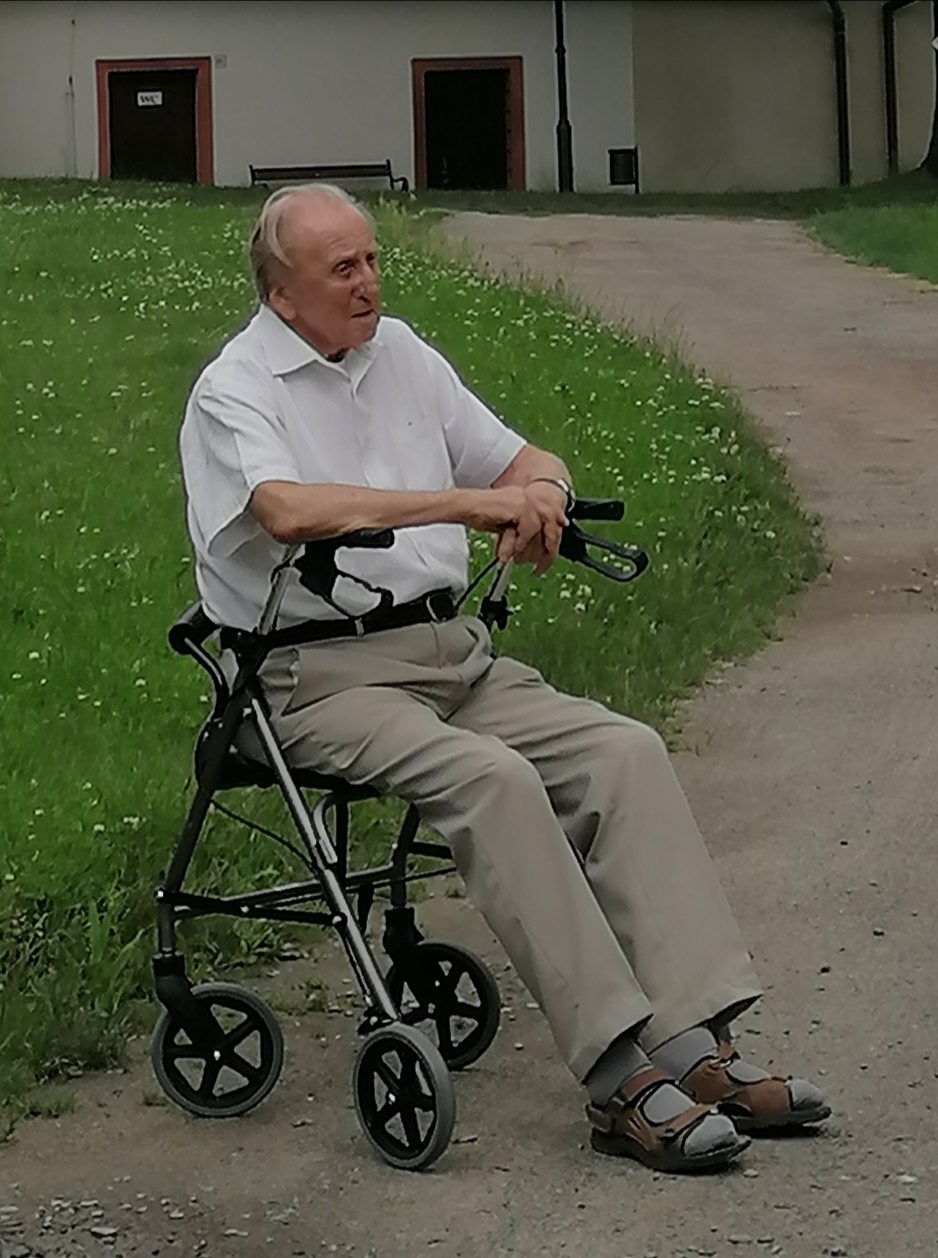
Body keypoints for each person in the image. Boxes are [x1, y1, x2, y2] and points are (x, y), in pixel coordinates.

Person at [179, 183, 829, 1174]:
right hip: (313, 678)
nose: (369, 282)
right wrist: (467, 504)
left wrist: (541, 496)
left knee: (623, 752)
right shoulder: (234, 389)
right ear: (280, 293)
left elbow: (525, 456)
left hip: (447, 653)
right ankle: (618, 1079)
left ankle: (694, 1047)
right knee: (494, 779)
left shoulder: (401, 354)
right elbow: (287, 512)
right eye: (343, 268)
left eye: (372, 259)